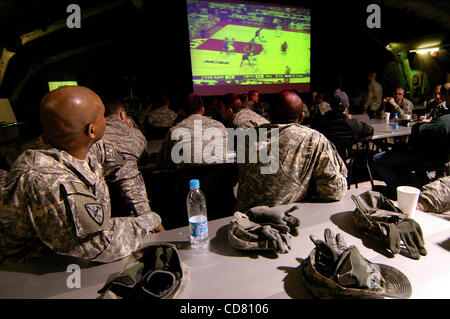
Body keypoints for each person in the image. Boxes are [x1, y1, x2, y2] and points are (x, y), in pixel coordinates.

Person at [0, 86, 164, 265]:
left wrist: (142, 210)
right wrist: (149, 220)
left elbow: (124, 170)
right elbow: (103, 244)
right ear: (91, 130)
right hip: (31, 275)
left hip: (69, 261)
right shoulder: (46, 180)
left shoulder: (85, 145)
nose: (108, 122)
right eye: (103, 117)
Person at [235, 90, 348, 212]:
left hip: (244, 220)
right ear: (301, 117)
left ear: (269, 115)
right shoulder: (313, 139)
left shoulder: (247, 138)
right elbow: (334, 190)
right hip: (284, 221)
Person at [373, 113, 450, 198]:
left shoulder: (443, 122)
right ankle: (422, 180)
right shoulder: (446, 120)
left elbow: (418, 131)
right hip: (439, 158)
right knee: (400, 147)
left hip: (422, 156)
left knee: (377, 159)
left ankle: (396, 190)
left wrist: (421, 123)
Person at [158, 93, 228, 167]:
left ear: (182, 112)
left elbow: (163, 161)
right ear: (203, 110)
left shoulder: (174, 132)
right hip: (220, 176)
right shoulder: (220, 127)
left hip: (187, 176)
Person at [312, 93, 374, 160]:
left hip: (322, 160)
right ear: (347, 106)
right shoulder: (350, 125)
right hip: (341, 163)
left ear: (330, 105)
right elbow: (369, 130)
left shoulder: (320, 122)